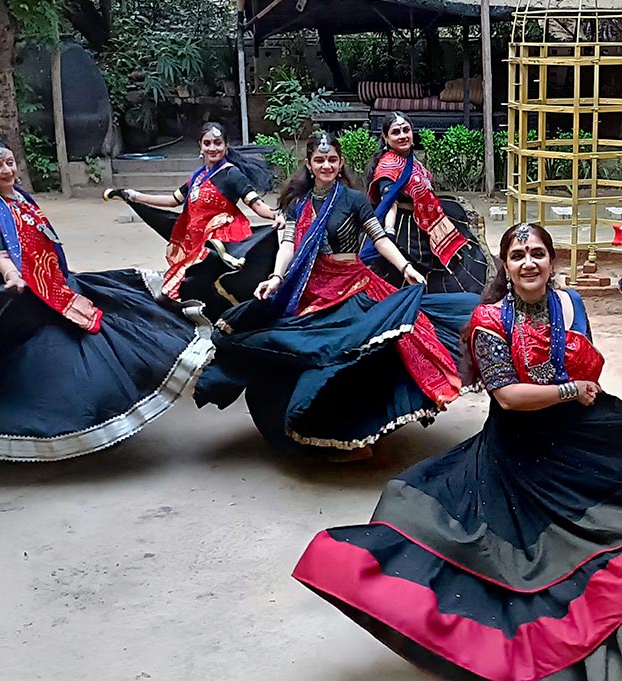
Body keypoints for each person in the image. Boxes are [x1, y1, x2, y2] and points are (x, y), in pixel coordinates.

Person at [292, 223, 622, 679]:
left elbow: (583, 363)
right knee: (506, 550)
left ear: (551, 260)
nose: (529, 262)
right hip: (521, 449)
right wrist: (566, 391)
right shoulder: (489, 319)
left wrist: (576, 391)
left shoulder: (570, 303)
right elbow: (509, 397)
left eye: (537, 253)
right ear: (505, 266)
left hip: (584, 430)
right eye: (517, 255)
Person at [0, 138, 212, 460]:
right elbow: (1, 251)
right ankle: (61, 427)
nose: (6, 170)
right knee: (40, 358)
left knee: (106, 323)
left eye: (8, 162)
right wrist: (11, 275)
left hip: (54, 284)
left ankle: (96, 416)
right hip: (24, 290)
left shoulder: (20, 197)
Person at [193, 132, 477, 461]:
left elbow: (379, 237)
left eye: (332, 160)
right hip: (312, 290)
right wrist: (275, 277)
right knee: (307, 355)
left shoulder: (353, 200)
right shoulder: (297, 204)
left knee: (365, 354)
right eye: (319, 160)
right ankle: (327, 432)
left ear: (340, 163)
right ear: (309, 165)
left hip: (354, 286)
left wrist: (405, 267)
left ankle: (364, 427)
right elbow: (288, 246)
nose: (326, 165)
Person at [106, 122, 284, 299]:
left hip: (217, 244)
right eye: (207, 143)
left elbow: (257, 205)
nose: (212, 148)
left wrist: (278, 215)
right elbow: (173, 200)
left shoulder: (232, 174)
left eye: (218, 143)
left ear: (226, 146)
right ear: (200, 145)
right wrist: (135, 196)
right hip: (194, 242)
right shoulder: (198, 176)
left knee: (187, 291)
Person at [364, 111, 491, 293]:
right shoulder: (389, 165)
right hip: (407, 223)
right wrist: (388, 235)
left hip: (425, 215)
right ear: (385, 137)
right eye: (396, 132)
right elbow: (389, 203)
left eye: (406, 130)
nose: (402, 136)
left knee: (458, 214)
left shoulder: (409, 158)